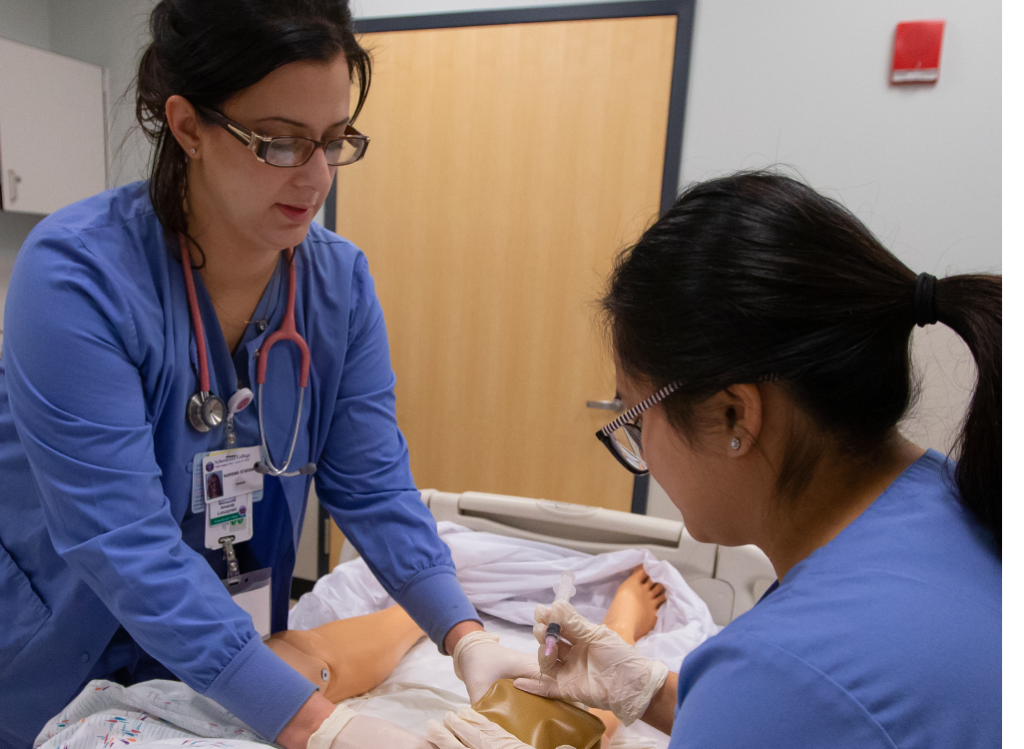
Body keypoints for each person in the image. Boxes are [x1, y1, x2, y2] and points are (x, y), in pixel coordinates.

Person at [0, 2, 537, 747]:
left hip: (220, 668)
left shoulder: (338, 287)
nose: (316, 177)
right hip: (45, 658)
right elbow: (123, 540)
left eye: (334, 140)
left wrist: (464, 632)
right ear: (188, 126)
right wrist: (325, 729)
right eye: (280, 143)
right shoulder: (76, 278)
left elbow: (374, 485)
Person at [429, 172, 1012, 749]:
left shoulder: (777, 673)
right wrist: (649, 689)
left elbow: (796, 703)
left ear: (735, 416)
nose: (641, 450)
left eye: (635, 417)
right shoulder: (955, 498)